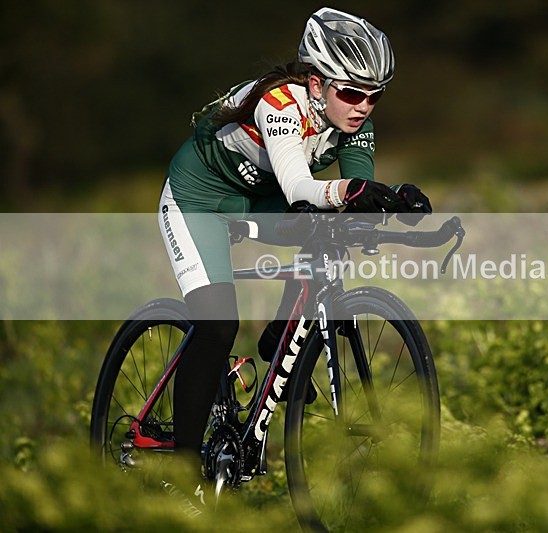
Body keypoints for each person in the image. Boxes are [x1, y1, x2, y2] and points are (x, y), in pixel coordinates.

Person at [157, 7, 431, 488]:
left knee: (333, 229)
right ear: (316, 84)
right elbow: (302, 189)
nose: (363, 107)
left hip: (259, 200)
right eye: (351, 93)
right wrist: (350, 192)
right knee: (217, 327)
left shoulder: (354, 121)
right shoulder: (280, 105)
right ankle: (181, 477)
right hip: (199, 198)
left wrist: (394, 200)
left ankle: (279, 338)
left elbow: (353, 198)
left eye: (374, 96)